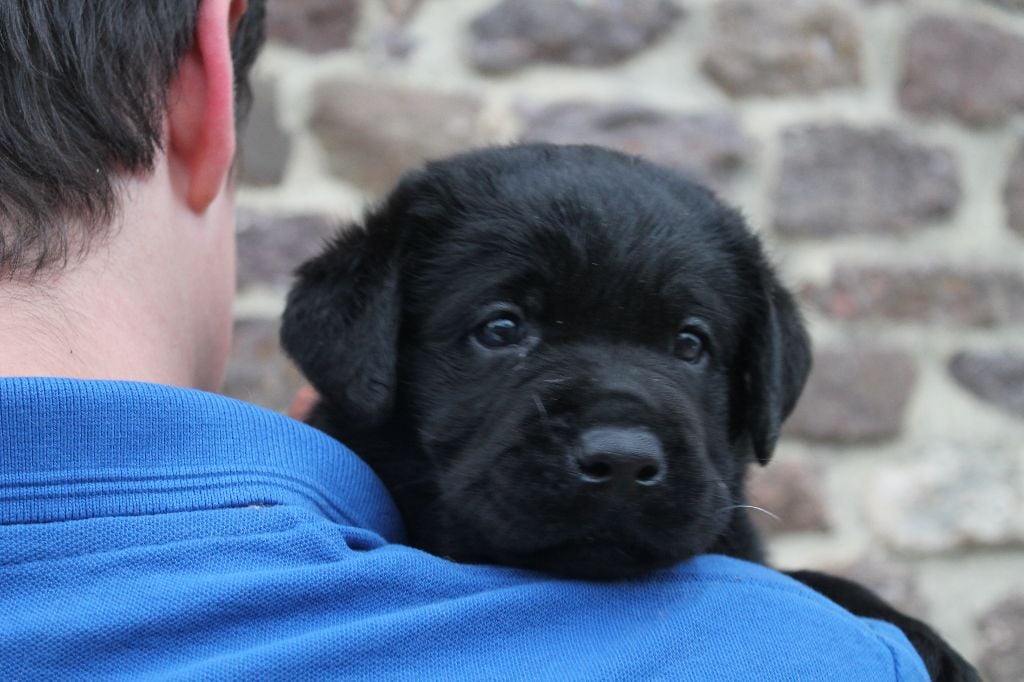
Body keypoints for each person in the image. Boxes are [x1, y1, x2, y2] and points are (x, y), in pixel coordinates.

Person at [0, 2, 928, 679]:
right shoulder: (809, 658)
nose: (622, 438)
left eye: (689, 346)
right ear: (368, 351)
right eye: (502, 329)